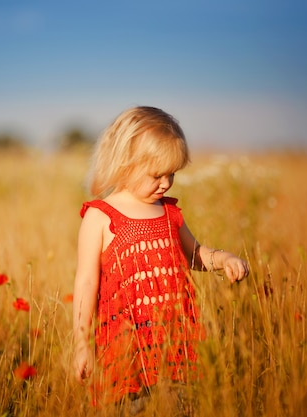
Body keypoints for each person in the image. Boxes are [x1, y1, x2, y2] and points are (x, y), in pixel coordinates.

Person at [72, 106, 249, 414]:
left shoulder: (168, 211)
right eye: (157, 175)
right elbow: (87, 281)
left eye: (172, 174)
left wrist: (223, 259)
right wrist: (81, 342)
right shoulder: (100, 216)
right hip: (126, 350)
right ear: (125, 163)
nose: (166, 183)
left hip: (175, 346)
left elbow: (193, 255)